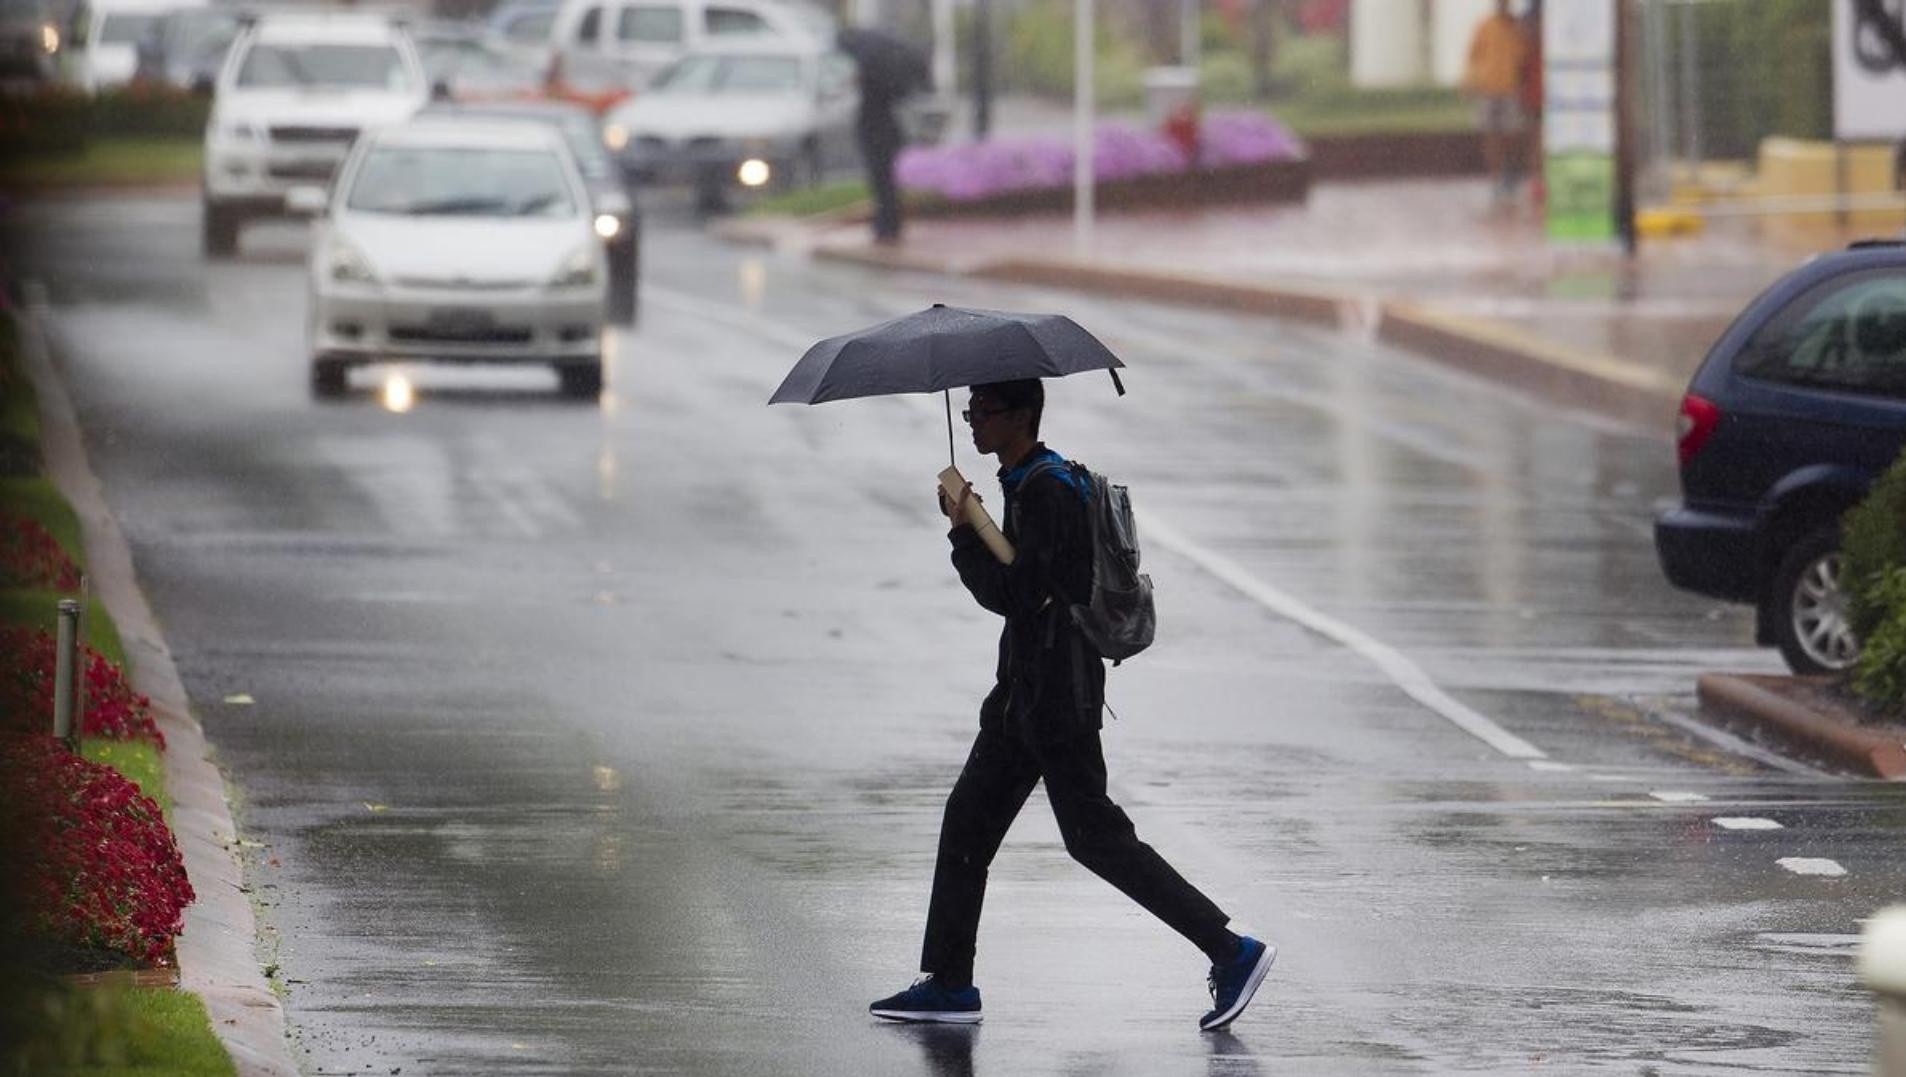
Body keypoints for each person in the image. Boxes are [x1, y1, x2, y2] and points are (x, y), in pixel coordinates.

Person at [868, 378, 1275, 1031]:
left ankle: (1231, 949)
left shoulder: (1048, 489)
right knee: (969, 819)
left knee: (1096, 839)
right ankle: (948, 980)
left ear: (1021, 415)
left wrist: (964, 534)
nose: (972, 421)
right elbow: (1030, 583)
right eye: (970, 410)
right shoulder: (1031, 482)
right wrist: (976, 519)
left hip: (1054, 700)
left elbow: (1019, 593)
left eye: (985, 411)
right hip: (1028, 697)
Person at [836, 28, 925, 245]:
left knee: (882, 181)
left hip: (877, 132)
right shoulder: (888, 76)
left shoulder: (874, 74)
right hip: (889, 130)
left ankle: (886, 226)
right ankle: (888, 224)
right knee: (886, 182)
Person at [1461, 0, 1531, 208]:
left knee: (1511, 133)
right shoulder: (1484, 26)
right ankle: (1495, 179)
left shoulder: (1517, 28)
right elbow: (1473, 56)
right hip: (1488, 88)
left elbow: (1523, 57)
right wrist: (1469, 82)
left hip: (1510, 89)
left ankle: (1510, 172)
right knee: (1490, 134)